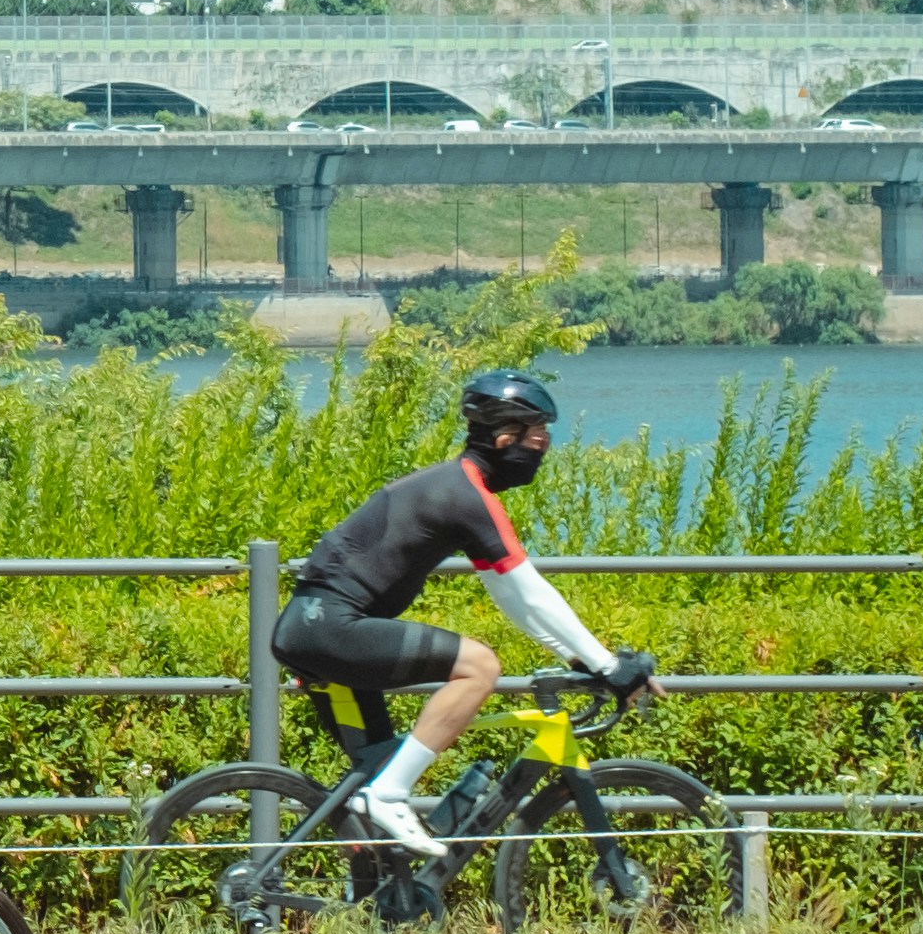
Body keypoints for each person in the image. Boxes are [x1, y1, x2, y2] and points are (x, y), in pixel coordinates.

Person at [274, 367, 649, 857]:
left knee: (370, 791)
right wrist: (608, 666)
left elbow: (513, 597)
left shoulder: (454, 487)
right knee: (480, 666)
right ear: (505, 437)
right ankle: (389, 797)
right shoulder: (466, 494)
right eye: (538, 437)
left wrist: (582, 659)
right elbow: (530, 589)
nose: (544, 448)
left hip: (311, 628)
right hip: (332, 628)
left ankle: (376, 896)